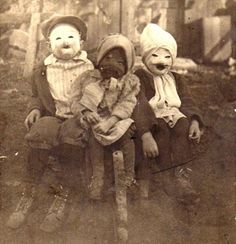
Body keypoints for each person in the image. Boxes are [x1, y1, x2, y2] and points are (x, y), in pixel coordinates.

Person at [7, 14, 94, 229]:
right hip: (53, 114)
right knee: (40, 133)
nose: (65, 41)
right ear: (49, 44)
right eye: (58, 38)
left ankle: (62, 195)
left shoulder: (90, 68)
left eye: (70, 37)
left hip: (78, 116)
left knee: (72, 140)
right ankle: (29, 191)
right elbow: (37, 94)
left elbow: (98, 93)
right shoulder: (44, 70)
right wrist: (35, 109)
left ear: (81, 42)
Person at [133, 23, 204, 205]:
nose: (161, 61)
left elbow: (187, 100)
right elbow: (139, 104)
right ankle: (164, 176)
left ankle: (181, 176)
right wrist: (145, 132)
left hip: (174, 114)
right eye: (154, 56)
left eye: (167, 56)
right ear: (145, 58)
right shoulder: (140, 77)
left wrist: (194, 120)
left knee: (183, 128)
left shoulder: (176, 78)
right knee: (162, 131)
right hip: (153, 118)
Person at [71, 34, 140, 200]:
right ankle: (97, 177)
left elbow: (127, 103)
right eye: (107, 57)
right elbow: (75, 99)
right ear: (100, 57)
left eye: (120, 62)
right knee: (94, 141)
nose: (112, 64)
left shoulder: (129, 81)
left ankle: (128, 178)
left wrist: (111, 121)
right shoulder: (88, 77)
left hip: (116, 119)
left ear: (128, 64)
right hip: (95, 119)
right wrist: (86, 112)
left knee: (127, 141)